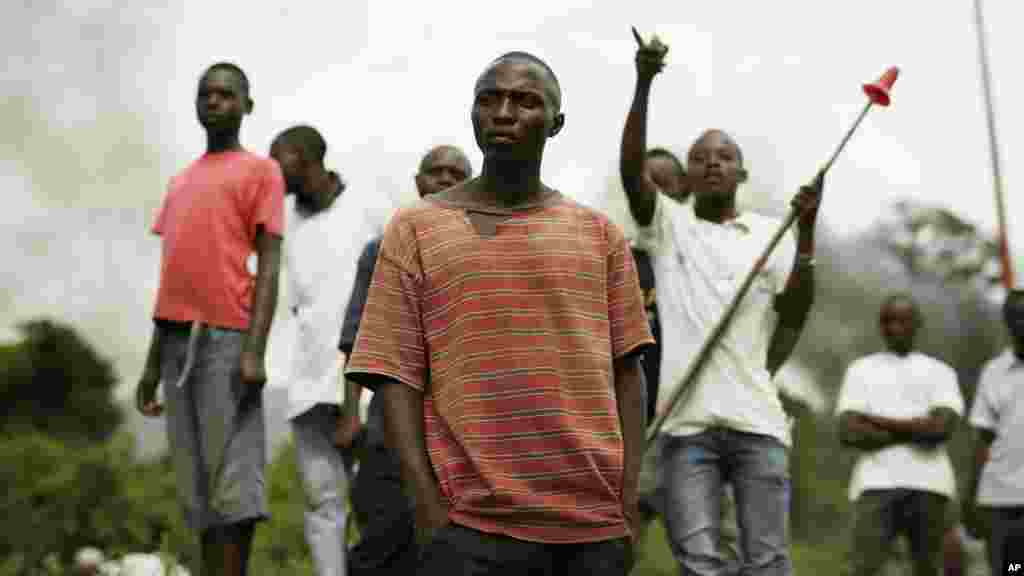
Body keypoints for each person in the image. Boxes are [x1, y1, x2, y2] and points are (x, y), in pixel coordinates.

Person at [345, 51, 654, 575]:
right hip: (470, 530)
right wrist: (428, 510)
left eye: (526, 101)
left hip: (590, 531)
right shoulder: (416, 229)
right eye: (490, 99)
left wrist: (626, 505)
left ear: (556, 124)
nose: (504, 112)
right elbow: (395, 378)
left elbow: (628, 373)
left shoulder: (599, 235)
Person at [621, 35, 821, 575]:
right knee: (701, 562)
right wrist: (643, 82)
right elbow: (631, 170)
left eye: (725, 157)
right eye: (701, 158)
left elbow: (796, 308)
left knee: (767, 560)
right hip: (687, 429)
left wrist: (806, 231)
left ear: (742, 173)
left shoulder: (768, 233)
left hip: (759, 423)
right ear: (685, 177)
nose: (713, 164)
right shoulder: (669, 229)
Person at [135, 62, 284, 576]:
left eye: (226, 94)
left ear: (248, 105)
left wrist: (254, 349)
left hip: (227, 339)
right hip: (176, 343)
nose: (215, 102)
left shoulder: (261, 171)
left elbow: (269, 264)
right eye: (206, 94)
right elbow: (173, 276)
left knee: (233, 487)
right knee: (195, 490)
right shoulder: (180, 182)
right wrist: (151, 367)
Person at [339, 144, 473, 574]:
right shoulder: (381, 250)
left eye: (458, 174)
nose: (447, 180)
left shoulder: (486, 252)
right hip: (390, 425)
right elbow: (358, 339)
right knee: (383, 541)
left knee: (451, 552)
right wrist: (349, 414)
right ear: (419, 182)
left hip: (462, 433)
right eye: (437, 172)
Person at [270, 124, 378, 575]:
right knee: (323, 502)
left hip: (367, 381)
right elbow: (296, 305)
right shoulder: (284, 224)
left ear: (309, 159)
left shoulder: (370, 206)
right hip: (307, 383)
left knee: (378, 499)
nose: (274, 175)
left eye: (282, 162)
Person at [836, 293, 964, 576]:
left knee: (929, 568)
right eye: (888, 321)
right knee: (864, 568)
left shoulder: (939, 372)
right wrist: (917, 427)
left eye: (903, 321)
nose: (895, 328)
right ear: (880, 325)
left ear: (917, 324)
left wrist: (875, 420)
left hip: (930, 484)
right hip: (875, 483)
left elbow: (941, 430)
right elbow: (848, 433)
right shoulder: (861, 370)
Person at [966, 288, 1024, 575]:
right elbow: (982, 439)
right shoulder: (993, 372)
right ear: (1008, 322)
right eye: (1016, 317)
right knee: (1011, 570)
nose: (1022, 323)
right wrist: (971, 496)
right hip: (1001, 502)